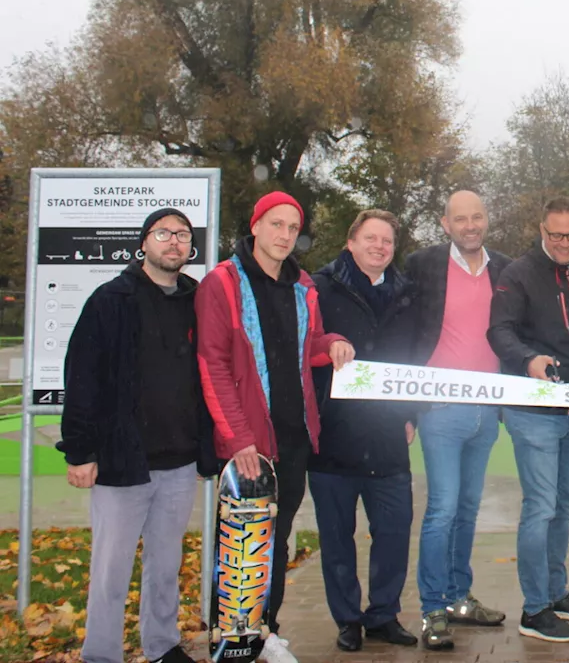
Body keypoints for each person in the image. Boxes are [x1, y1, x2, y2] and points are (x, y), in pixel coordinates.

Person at [196, 191, 354, 663]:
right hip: (247, 441)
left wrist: (336, 345)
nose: (285, 235)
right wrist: (238, 438)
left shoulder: (303, 284)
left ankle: (267, 632)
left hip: (294, 436)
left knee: (276, 539)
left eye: (292, 227)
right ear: (256, 225)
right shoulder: (221, 283)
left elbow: (309, 346)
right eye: (276, 225)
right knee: (242, 544)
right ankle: (231, 638)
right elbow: (212, 364)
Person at [60, 208, 218, 663]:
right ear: (144, 242)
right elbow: (84, 377)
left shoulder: (197, 300)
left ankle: (162, 645)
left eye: (183, 235)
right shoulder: (112, 299)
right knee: (111, 570)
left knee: (166, 566)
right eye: (163, 233)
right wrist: (80, 451)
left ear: (190, 247)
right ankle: (102, 653)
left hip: (180, 461)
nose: (174, 242)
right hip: (122, 461)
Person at [487, 197, 569, 643]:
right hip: (532, 411)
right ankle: (534, 609)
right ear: (541, 229)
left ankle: (557, 593)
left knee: (562, 506)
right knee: (539, 507)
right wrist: (528, 359)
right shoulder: (518, 273)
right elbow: (499, 331)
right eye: (554, 234)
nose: (562, 243)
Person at [405, 190, 512, 649]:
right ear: (445, 223)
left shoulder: (505, 269)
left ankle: (457, 597)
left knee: (467, 509)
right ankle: (432, 609)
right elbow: (405, 329)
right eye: (461, 218)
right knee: (443, 508)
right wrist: (405, 406)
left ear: (487, 220)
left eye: (478, 217)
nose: (471, 225)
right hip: (439, 409)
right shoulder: (422, 265)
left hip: (486, 410)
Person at [309, 210, 419, 652]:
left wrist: (411, 410)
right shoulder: (318, 288)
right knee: (337, 537)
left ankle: (383, 615)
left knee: (394, 530)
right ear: (350, 241)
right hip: (332, 436)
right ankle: (348, 619)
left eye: (387, 241)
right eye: (371, 238)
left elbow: (413, 358)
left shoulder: (407, 294)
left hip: (388, 435)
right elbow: (305, 343)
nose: (379, 247)